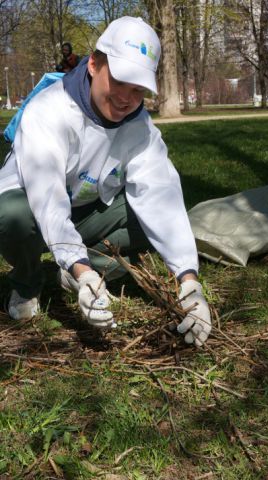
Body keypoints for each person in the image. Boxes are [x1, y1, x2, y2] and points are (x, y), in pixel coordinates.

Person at [0, 16, 211, 347]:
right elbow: (48, 199)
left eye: (138, 89)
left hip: (86, 211)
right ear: (94, 65)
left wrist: (189, 280)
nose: (126, 98)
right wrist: (82, 269)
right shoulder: (49, 109)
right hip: (31, 210)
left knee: (151, 222)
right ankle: (28, 282)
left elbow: (161, 197)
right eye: (120, 81)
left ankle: (75, 273)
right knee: (11, 215)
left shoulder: (139, 127)